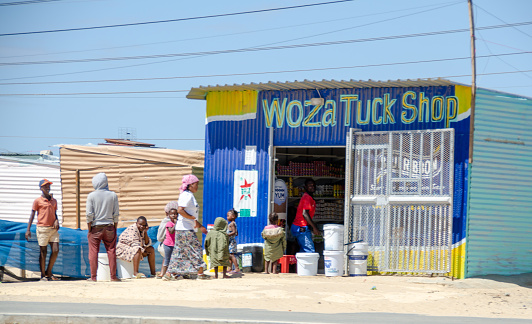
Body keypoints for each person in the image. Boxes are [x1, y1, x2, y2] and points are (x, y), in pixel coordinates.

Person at [166, 174, 209, 280]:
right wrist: (192, 218)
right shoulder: (187, 195)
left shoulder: (188, 195)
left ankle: (169, 274)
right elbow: (180, 210)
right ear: (190, 184)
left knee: (179, 252)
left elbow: (190, 215)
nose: (197, 187)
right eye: (196, 184)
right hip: (185, 229)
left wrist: (198, 225)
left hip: (183, 228)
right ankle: (200, 274)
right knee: (196, 249)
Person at [86, 172, 120, 282]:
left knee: (93, 252)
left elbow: (89, 215)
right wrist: (114, 227)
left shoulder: (91, 196)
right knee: (111, 251)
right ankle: (113, 277)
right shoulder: (113, 195)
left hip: (95, 227)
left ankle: (93, 277)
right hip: (110, 226)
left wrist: (89, 229)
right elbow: (116, 214)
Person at [25, 179, 60, 281]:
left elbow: (54, 213)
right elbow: (32, 214)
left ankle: (49, 272)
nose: (47, 188)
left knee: (55, 250)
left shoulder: (54, 200)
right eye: (45, 186)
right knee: (43, 252)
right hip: (42, 228)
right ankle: (43, 275)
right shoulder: (38, 201)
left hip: (53, 229)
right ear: (40, 188)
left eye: (48, 186)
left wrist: (57, 220)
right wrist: (28, 229)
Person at [291, 178, 321, 253]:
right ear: (305, 187)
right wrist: (314, 227)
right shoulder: (307, 198)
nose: (312, 187)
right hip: (301, 227)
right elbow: (305, 213)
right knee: (309, 251)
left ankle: (300, 265)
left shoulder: (308, 197)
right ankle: (309, 265)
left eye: (313, 185)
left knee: (303, 251)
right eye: (310, 185)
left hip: (299, 226)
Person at [159, 207, 177, 280]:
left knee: (174, 259)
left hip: (174, 244)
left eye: (175, 214)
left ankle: (172, 273)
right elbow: (171, 231)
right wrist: (176, 224)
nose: (173, 215)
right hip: (168, 244)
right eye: (171, 214)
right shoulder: (169, 223)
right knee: (167, 259)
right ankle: (163, 273)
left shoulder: (177, 223)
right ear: (168, 215)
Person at [226, 208, 240, 274]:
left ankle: (237, 268)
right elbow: (237, 233)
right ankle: (230, 268)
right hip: (231, 241)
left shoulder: (232, 224)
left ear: (233, 216)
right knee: (229, 255)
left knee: (231, 255)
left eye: (228, 216)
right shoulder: (234, 223)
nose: (227, 217)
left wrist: (227, 235)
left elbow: (234, 232)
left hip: (231, 242)